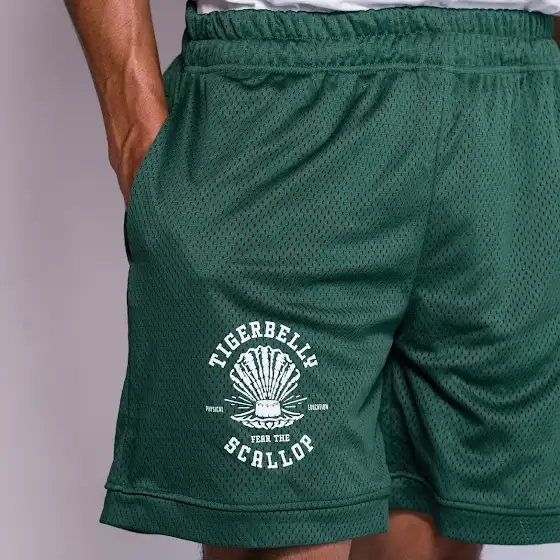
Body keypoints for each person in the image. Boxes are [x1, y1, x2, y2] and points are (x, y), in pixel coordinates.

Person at [65, 0, 560, 558]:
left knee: (433, 523)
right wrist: (135, 132)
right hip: (280, 95)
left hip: (513, 97)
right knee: (281, 530)